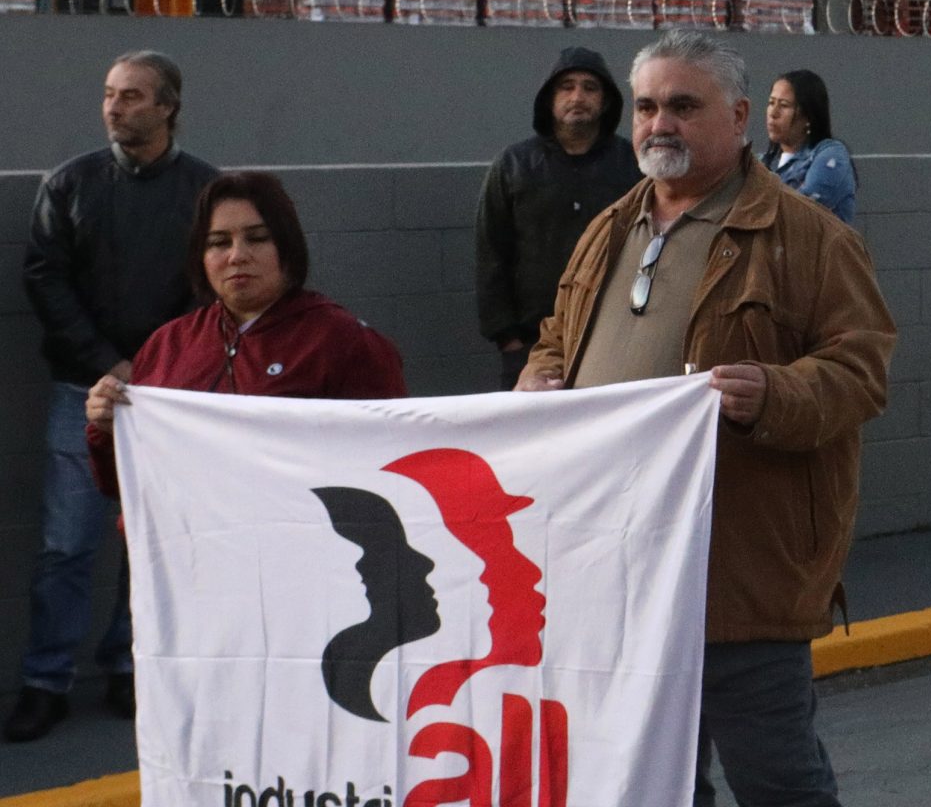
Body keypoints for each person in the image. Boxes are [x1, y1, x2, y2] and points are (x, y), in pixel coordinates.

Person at [516, 29, 894, 807]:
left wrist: (771, 395)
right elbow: (555, 337)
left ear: (734, 115)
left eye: (683, 105)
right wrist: (540, 379)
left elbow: (862, 370)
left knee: (783, 789)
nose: (659, 123)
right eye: (647, 105)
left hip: (742, 573)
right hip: (619, 571)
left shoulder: (808, 237)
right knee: (658, 793)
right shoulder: (611, 229)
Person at [8, 51, 218, 744]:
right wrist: (107, 362)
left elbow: (212, 288)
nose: (114, 107)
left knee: (149, 541)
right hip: (83, 389)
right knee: (66, 543)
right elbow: (46, 280)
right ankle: (46, 679)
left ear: (167, 106)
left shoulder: (205, 189)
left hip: (168, 399)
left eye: (131, 96)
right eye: (108, 94)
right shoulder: (70, 183)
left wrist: (157, 367)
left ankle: (131, 667)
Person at [86, 171, 408, 493]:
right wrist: (107, 428)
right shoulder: (168, 345)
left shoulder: (343, 342)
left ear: (287, 245)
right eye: (218, 242)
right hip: (184, 540)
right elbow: (123, 486)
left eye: (257, 238)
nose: (237, 255)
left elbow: (390, 466)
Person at [475, 47, 641, 386]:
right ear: (549, 97)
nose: (577, 96)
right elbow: (491, 253)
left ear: (606, 100)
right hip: (528, 345)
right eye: (566, 86)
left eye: (589, 87)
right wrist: (508, 339)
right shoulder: (513, 165)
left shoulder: (634, 165)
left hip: (613, 338)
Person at [761, 69, 858, 224]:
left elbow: (800, 210)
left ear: (808, 115)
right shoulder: (763, 163)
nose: (773, 113)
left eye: (784, 105)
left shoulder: (830, 155)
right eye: (771, 103)